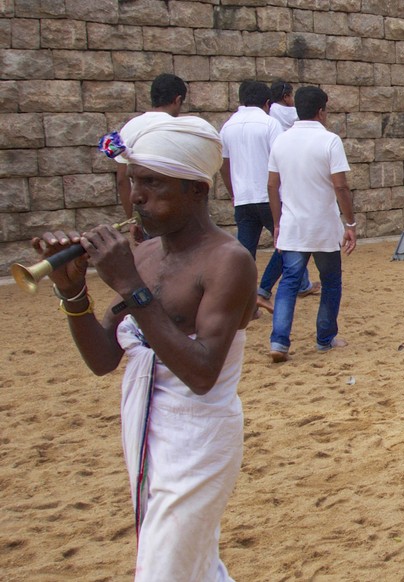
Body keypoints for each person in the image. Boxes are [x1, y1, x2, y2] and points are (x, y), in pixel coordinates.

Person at [37, 116, 255, 580]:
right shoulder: (145, 253)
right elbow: (103, 360)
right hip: (145, 431)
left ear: (197, 188)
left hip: (199, 440)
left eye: (153, 183)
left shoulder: (228, 261)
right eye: (134, 181)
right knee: (191, 567)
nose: (136, 196)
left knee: (163, 570)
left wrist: (131, 285)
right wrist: (72, 292)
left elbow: (201, 374)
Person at [267, 86, 356, 362]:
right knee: (330, 281)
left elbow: (272, 185)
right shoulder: (330, 141)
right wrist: (350, 223)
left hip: (293, 224)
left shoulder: (281, 141)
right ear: (321, 111)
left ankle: (279, 341)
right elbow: (340, 186)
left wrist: (277, 222)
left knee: (289, 282)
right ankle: (324, 338)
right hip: (323, 226)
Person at [219, 80, 314, 315]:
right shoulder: (270, 124)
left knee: (245, 254)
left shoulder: (227, 126)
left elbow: (224, 164)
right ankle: (264, 290)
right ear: (267, 103)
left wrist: (233, 192)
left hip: (243, 198)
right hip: (270, 196)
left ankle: (246, 303)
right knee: (289, 244)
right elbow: (282, 157)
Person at [114, 74, 187, 237]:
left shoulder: (129, 128)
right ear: (177, 100)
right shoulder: (180, 128)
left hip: (146, 212)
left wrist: (132, 219)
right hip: (176, 213)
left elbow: (121, 180)